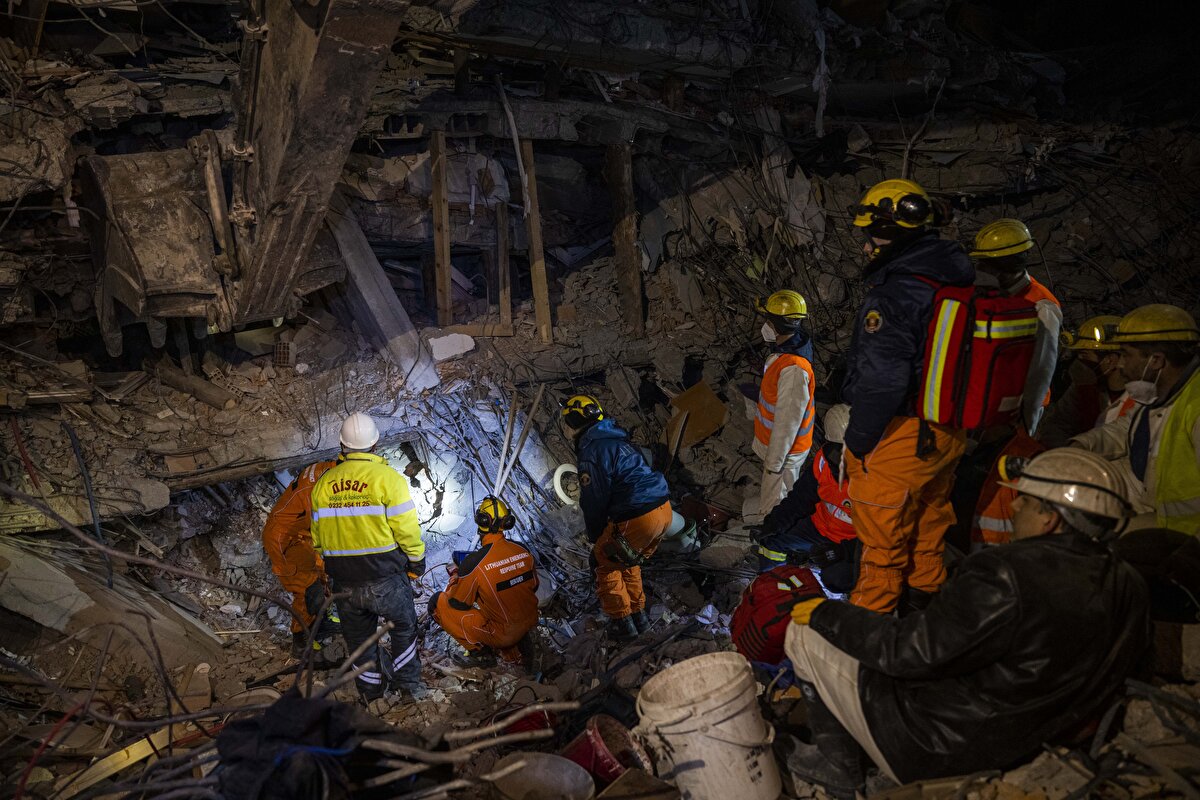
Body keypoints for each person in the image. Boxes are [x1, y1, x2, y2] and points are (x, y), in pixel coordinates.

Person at [778, 448, 1151, 798]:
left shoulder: (1007, 573)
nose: (1015, 505)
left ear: (1050, 518)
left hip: (938, 747)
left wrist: (829, 613)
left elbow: (908, 653)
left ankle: (837, 767)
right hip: (1030, 737)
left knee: (807, 631)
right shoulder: (1128, 582)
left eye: (1025, 499)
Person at [841, 178, 974, 614]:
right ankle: (926, 624)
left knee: (881, 550)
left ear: (895, 233)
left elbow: (882, 380)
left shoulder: (896, 295)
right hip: (947, 429)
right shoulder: (953, 280)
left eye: (873, 235)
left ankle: (863, 655)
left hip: (902, 435)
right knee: (928, 531)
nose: (868, 246)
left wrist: (859, 442)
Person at [310, 412, 425, 705]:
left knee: (360, 643)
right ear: (375, 445)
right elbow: (406, 528)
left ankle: (371, 695)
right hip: (385, 578)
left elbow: (318, 539)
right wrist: (416, 559)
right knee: (403, 629)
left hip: (344, 584)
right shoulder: (388, 479)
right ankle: (409, 688)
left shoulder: (324, 484)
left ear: (342, 446)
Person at [1071, 304, 1200, 534]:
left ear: (1156, 361)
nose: (1120, 364)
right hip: (1163, 518)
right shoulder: (1162, 395)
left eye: (1125, 355)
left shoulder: (1195, 407)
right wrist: (1080, 448)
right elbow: (1128, 428)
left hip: (1186, 537)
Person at [562, 395, 672, 641]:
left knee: (603, 562)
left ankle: (625, 628)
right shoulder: (620, 440)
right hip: (663, 511)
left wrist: (595, 534)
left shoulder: (592, 451)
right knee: (627, 561)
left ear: (574, 422)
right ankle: (640, 620)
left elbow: (594, 500)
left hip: (639, 517)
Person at [969, 218, 1062, 434]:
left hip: (1017, 411)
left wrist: (1023, 427)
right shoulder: (993, 295)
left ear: (1005, 268)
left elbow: (1039, 373)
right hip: (989, 403)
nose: (980, 270)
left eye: (985, 265)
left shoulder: (1041, 306)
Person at [753, 404, 858, 594]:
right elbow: (800, 499)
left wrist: (845, 552)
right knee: (772, 542)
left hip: (853, 543)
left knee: (838, 578)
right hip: (819, 528)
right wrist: (773, 523)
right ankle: (773, 591)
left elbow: (886, 538)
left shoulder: (880, 478)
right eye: (839, 452)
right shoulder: (823, 461)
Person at [429, 496, 539, 666]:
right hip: (531, 620)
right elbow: (535, 586)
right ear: (507, 522)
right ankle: (523, 643)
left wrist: (456, 577)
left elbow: (459, 604)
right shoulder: (523, 549)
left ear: (480, 521)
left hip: (504, 633)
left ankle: (481, 653)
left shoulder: (473, 563)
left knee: (438, 603)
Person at [261, 457, 341, 656]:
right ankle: (301, 640)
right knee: (307, 589)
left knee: (322, 574)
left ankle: (322, 622)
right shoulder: (317, 492)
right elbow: (325, 530)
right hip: (284, 540)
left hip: (301, 533)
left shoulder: (328, 470)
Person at [753, 290, 816, 518]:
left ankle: (771, 551)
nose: (765, 324)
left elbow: (788, 421)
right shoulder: (786, 353)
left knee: (774, 513)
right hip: (781, 452)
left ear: (777, 324)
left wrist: (774, 463)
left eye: (768, 320)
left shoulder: (794, 368)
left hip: (783, 456)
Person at [1038, 315, 1133, 448]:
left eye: (1084, 355)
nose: (1078, 363)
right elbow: (1057, 426)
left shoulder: (1139, 398)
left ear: (1110, 360)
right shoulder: (1082, 389)